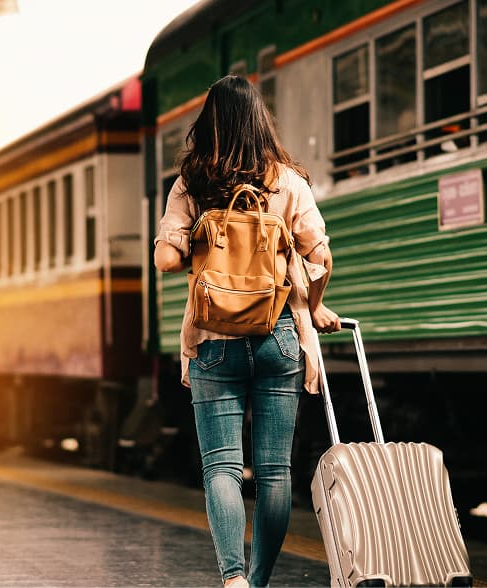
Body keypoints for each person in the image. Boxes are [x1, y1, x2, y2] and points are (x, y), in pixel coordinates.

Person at [153, 75, 340, 588]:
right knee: (275, 472)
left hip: (214, 340)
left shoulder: (192, 183)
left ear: (207, 123)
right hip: (279, 335)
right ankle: (258, 581)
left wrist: (190, 237)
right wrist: (315, 308)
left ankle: (233, 580)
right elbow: (321, 260)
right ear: (261, 120)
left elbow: (167, 261)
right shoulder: (288, 182)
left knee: (222, 469)